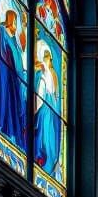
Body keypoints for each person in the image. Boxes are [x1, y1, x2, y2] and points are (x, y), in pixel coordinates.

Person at [0, 6, 26, 151]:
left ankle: (13, 137)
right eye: (15, 21)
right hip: (4, 75)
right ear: (10, 20)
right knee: (5, 103)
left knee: (14, 108)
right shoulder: (1, 31)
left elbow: (19, 60)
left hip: (14, 80)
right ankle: (2, 131)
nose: (16, 25)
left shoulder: (14, 41)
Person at [33, 43, 61, 174]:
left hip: (45, 113)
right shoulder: (52, 75)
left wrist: (33, 112)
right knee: (48, 141)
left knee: (44, 140)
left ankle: (42, 163)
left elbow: (40, 97)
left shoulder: (44, 75)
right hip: (51, 115)